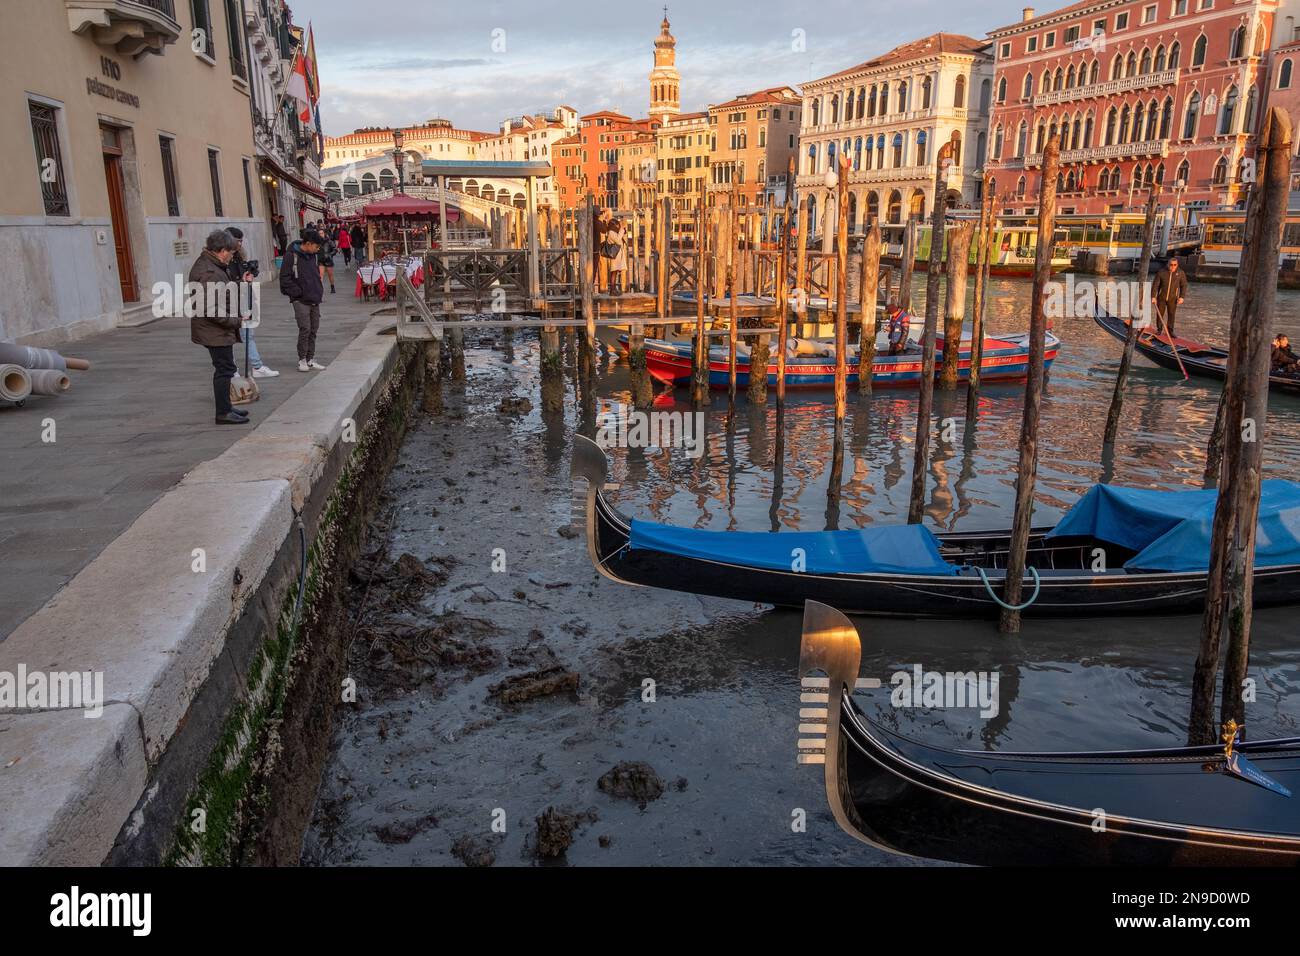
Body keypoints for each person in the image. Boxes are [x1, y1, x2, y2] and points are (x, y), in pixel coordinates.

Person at [190, 230, 248, 425]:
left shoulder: (212, 265)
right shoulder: (209, 272)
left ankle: (227, 407)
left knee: (226, 367)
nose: (232, 257)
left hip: (215, 329)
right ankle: (223, 412)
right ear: (222, 251)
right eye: (231, 253)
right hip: (214, 330)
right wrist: (236, 321)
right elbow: (210, 309)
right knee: (224, 368)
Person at [226, 227, 278, 378]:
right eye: (238, 241)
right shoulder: (222, 261)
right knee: (227, 338)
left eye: (241, 241)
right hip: (229, 304)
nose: (240, 244)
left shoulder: (239, 256)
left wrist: (247, 276)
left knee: (249, 334)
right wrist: (239, 281)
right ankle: (232, 370)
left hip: (243, 300)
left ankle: (257, 366)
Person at [280, 229, 327, 372]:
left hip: (314, 297)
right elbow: (285, 280)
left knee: (314, 329)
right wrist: (298, 293)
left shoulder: (313, 256)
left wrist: (318, 289)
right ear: (308, 244)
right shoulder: (291, 256)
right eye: (316, 247)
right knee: (305, 329)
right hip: (300, 300)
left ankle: (310, 358)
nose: (318, 250)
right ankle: (302, 359)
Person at [1151, 258, 1187, 340]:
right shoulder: (1161, 272)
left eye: (1175, 265)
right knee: (1160, 314)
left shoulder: (1180, 273)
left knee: (1171, 315)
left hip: (1173, 298)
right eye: (1171, 265)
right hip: (1161, 298)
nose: (1173, 266)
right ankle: (1159, 329)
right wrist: (1153, 296)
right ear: (1168, 264)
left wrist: (1182, 297)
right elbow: (1155, 285)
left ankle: (1170, 331)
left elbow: (1183, 285)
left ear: (1177, 265)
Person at [604, 216, 627, 295]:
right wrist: (621, 231)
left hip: (617, 255)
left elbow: (619, 240)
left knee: (616, 272)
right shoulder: (611, 232)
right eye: (617, 225)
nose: (618, 226)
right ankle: (612, 290)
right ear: (613, 225)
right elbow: (617, 240)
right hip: (614, 255)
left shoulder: (614, 232)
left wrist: (621, 230)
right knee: (613, 272)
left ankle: (614, 289)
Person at [318, 226, 337, 293]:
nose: (321, 235)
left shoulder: (329, 241)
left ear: (324, 234)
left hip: (328, 260)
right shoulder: (317, 242)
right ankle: (320, 289)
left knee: (330, 274)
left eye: (322, 233)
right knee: (321, 275)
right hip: (320, 260)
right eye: (319, 233)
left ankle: (332, 286)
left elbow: (335, 249)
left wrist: (330, 255)